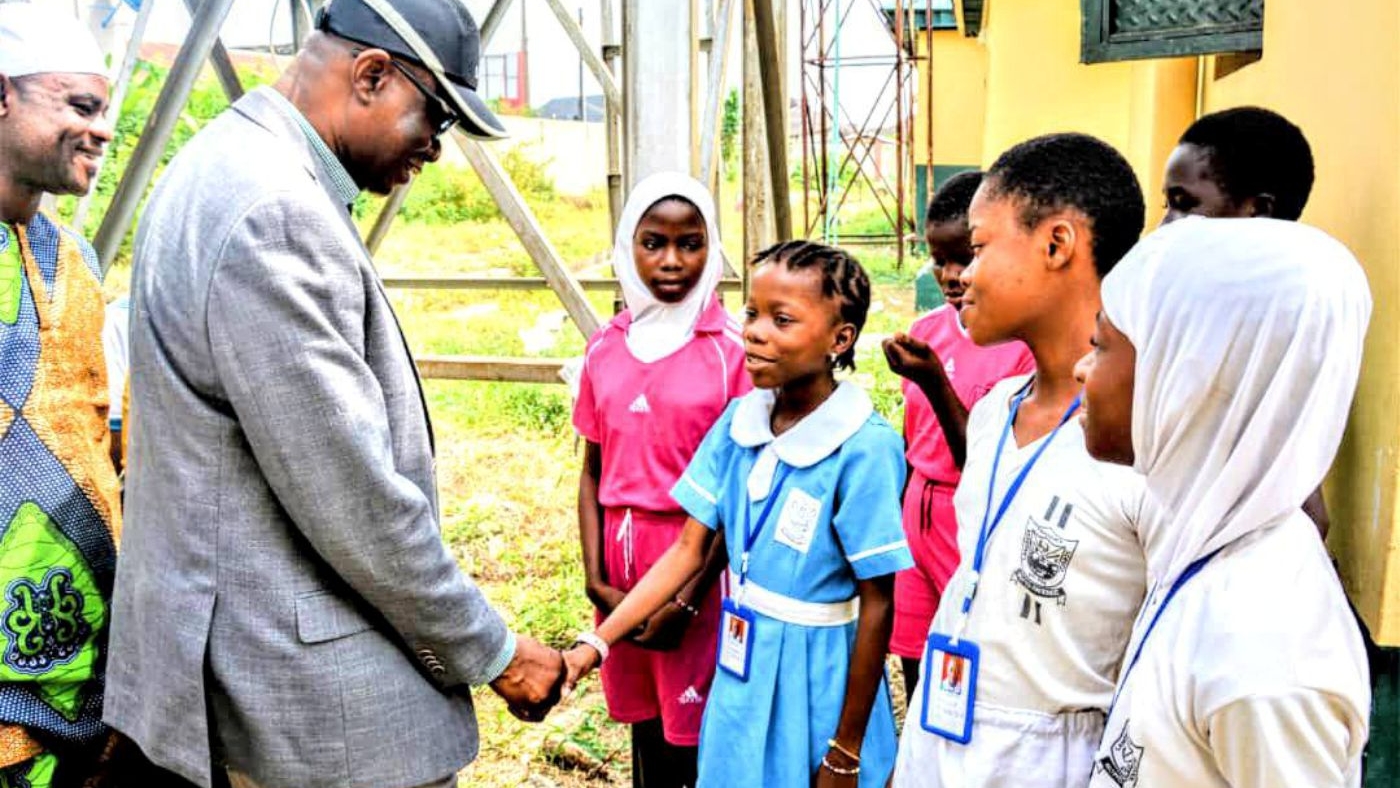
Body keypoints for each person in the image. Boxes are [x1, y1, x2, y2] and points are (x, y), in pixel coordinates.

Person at [104, 1, 563, 787]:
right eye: (436, 118)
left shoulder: (222, 160)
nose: (437, 150)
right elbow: (350, 495)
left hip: (233, 653)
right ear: (372, 75)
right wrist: (490, 650)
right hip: (300, 706)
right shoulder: (274, 209)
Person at [564, 241, 913, 787]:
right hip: (741, 666)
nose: (754, 331)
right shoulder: (738, 423)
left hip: (815, 676)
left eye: (782, 320)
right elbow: (688, 550)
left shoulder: (864, 449)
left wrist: (845, 749)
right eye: (751, 313)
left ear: (840, 339)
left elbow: (878, 602)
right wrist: (597, 644)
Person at [891, 133, 1149, 788]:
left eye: (976, 249)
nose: (959, 275)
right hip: (944, 725)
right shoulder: (994, 410)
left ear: (1056, 244)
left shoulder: (1140, 441)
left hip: (1055, 758)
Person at [1076, 217, 1371, 787]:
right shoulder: (1206, 542)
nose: (1081, 368)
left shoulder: (1264, 655)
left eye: (1101, 347)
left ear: (1190, 378)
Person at [572, 172, 747, 788]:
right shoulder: (604, 349)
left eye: (690, 242)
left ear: (712, 247)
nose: (672, 260)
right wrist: (595, 578)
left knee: (694, 736)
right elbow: (593, 472)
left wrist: (690, 597)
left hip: (696, 570)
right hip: (617, 569)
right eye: (653, 243)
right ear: (628, 247)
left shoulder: (732, 354)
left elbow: (738, 490)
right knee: (642, 723)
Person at [0, 6, 121, 786]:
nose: (103, 131)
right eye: (79, 106)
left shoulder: (73, 259)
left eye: (104, 110)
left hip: (85, 677)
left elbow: (108, 430)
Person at [881, 170, 1034, 700]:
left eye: (964, 258)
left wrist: (935, 380)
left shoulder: (1016, 347)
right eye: (938, 259)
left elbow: (988, 461)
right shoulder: (927, 331)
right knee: (915, 656)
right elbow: (911, 438)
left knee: (966, 659)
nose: (950, 276)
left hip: (968, 515)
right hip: (916, 512)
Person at [1159, 106, 1334, 534]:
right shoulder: (1190, 307)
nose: (1165, 225)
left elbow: (1307, 508)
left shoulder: (1274, 324)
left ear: (1259, 211)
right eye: (1167, 205)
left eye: (1184, 205)